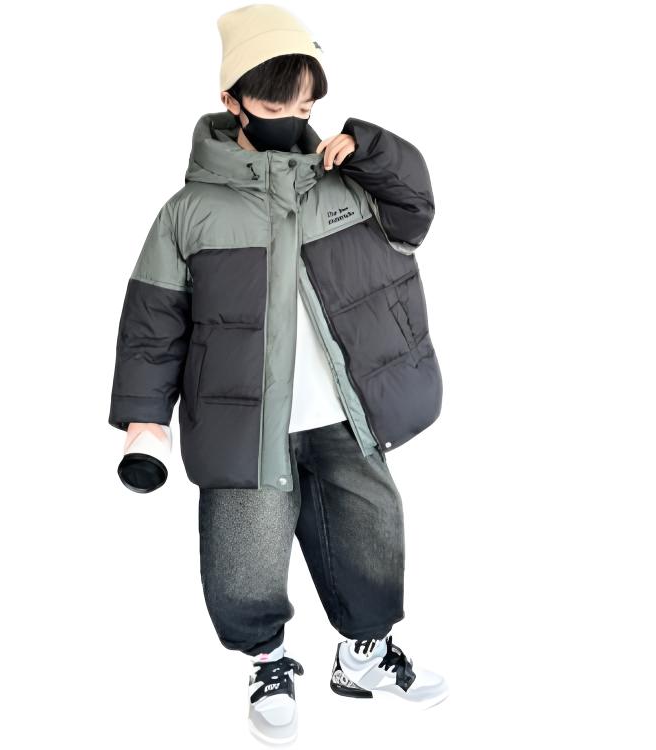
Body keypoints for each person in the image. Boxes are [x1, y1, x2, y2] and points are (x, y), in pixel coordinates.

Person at [108, 3, 449, 743]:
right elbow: (153, 325)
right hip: (244, 422)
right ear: (230, 100)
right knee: (245, 556)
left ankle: (364, 656)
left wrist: (372, 149)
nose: (292, 122)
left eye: (304, 107)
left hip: (344, 413)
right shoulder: (190, 213)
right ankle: (266, 662)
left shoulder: (345, 182)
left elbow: (416, 210)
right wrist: (144, 423)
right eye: (272, 108)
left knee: (370, 532)